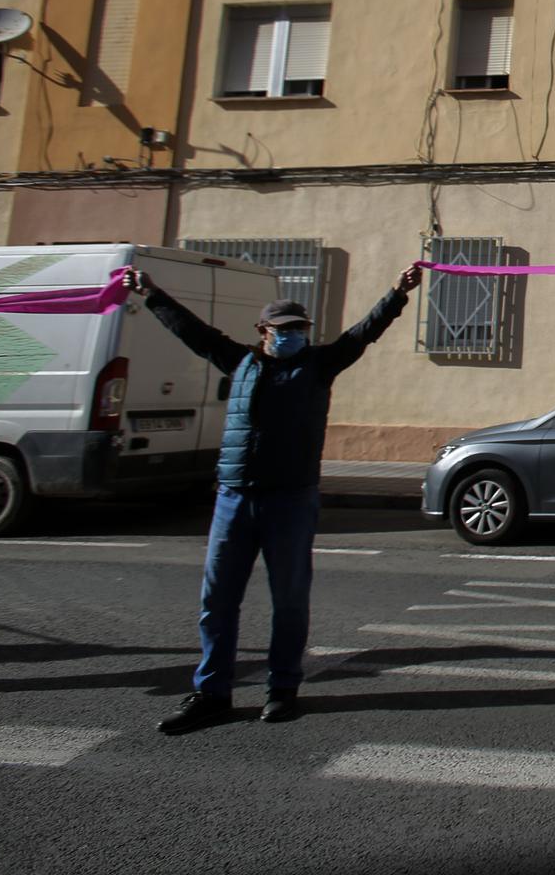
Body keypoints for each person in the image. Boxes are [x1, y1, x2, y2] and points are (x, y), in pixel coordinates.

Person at [123, 262, 421, 734]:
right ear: (262, 331)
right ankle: (212, 692)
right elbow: (191, 331)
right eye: (282, 330)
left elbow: (363, 333)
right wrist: (153, 294)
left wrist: (397, 293)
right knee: (218, 601)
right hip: (234, 498)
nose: (291, 336)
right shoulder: (239, 361)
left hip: (291, 499)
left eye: (298, 329)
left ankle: (283, 689)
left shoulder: (320, 364)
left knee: (289, 599)